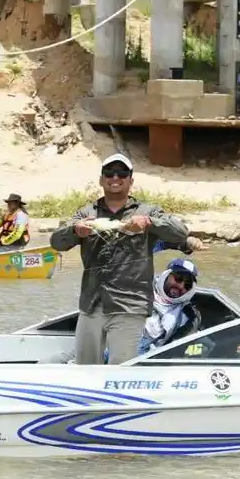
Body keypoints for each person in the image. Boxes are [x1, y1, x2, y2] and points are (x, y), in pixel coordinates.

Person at [50, 153, 189, 365]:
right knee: (85, 369)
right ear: (101, 179)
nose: (115, 177)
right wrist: (75, 230)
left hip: (130, 306)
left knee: (119, 371)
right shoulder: (86, 213)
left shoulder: (148, 211)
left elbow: (180, 232)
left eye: (122, 173)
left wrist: (149, 222)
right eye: (109, 173)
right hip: (91, 305)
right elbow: (56, 242)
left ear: (131, 181)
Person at [138, 258, 202, 355]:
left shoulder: (186, 316)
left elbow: (173, 351)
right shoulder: (140, 287)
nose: (181, 286)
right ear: (166, 275)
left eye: (187, 286)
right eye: (178, 279)